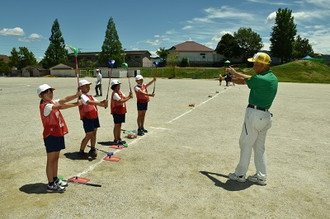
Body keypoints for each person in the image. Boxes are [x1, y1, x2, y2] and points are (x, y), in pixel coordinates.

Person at [227, 52, 278, 186]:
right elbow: (248, 80)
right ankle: (261, 176)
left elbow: (246, 79)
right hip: (265, 117)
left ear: (263, 65)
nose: (253, 65)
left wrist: (234, 72)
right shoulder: (271, 77)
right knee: (259, 147)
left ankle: (239, 174)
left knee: (245, 143)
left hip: (254, 115)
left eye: (255, 63)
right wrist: (231, 79)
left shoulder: (261, 79)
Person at [37, 84, 81, 192]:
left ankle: (55, 179)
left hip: (57, 133)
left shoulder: (51, 102)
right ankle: (50, 184)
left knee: (56, 158)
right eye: (47, 92)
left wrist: (76, 95)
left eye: (51, 91)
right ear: (41, 95)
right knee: (51, 159)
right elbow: (61, 106)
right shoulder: (45, 105)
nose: (50, 94)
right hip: (50, 135)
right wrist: (76, 104)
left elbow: (64, 100)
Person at [78, 79, 108, 158]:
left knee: (94, 133)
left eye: (89, 86)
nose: (88, 87)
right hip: (87, 117)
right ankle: (81, 150)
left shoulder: (90, 96)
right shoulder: (82, 96)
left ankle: (92, 148)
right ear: (81, 87)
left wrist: (104, 103)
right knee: (89, 134)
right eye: (86, 86)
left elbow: (97, 102)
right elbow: (88, 102)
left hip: (94, 116)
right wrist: (100, 103)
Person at [110, 79, 133, 145]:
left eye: (119, 85)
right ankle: (116, 138)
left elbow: (124, 97)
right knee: (117, 125)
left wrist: (129, 95)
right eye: (117, 86)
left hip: (121, 111)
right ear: (114, 87)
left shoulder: (120, 92)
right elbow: (121, 101)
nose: (119, 87)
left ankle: (118, 137)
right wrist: (129, 97)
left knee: (120, 125)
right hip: (116, 111)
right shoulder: (114, 94)